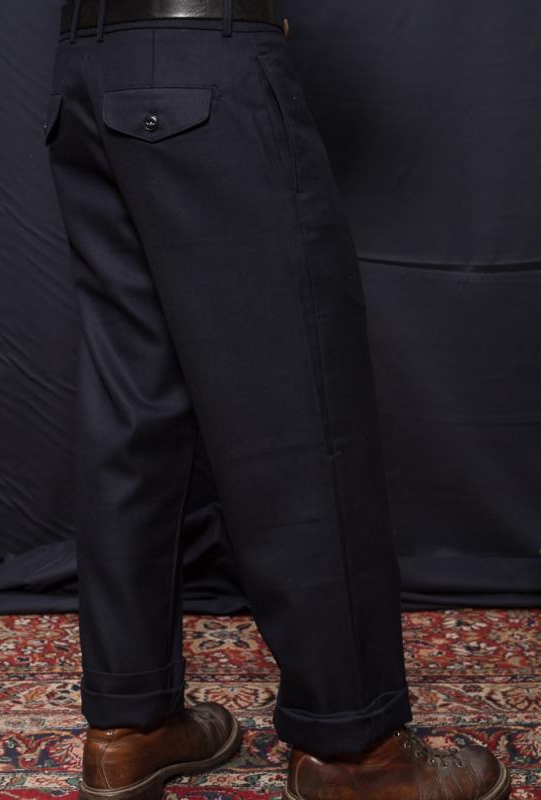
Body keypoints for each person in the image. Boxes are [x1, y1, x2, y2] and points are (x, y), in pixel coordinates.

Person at [44, 1, 510, 798]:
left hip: (85, 67)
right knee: (300, 408)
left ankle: (129, 725)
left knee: (133, 407)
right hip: (206, 60)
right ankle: (355, 749)